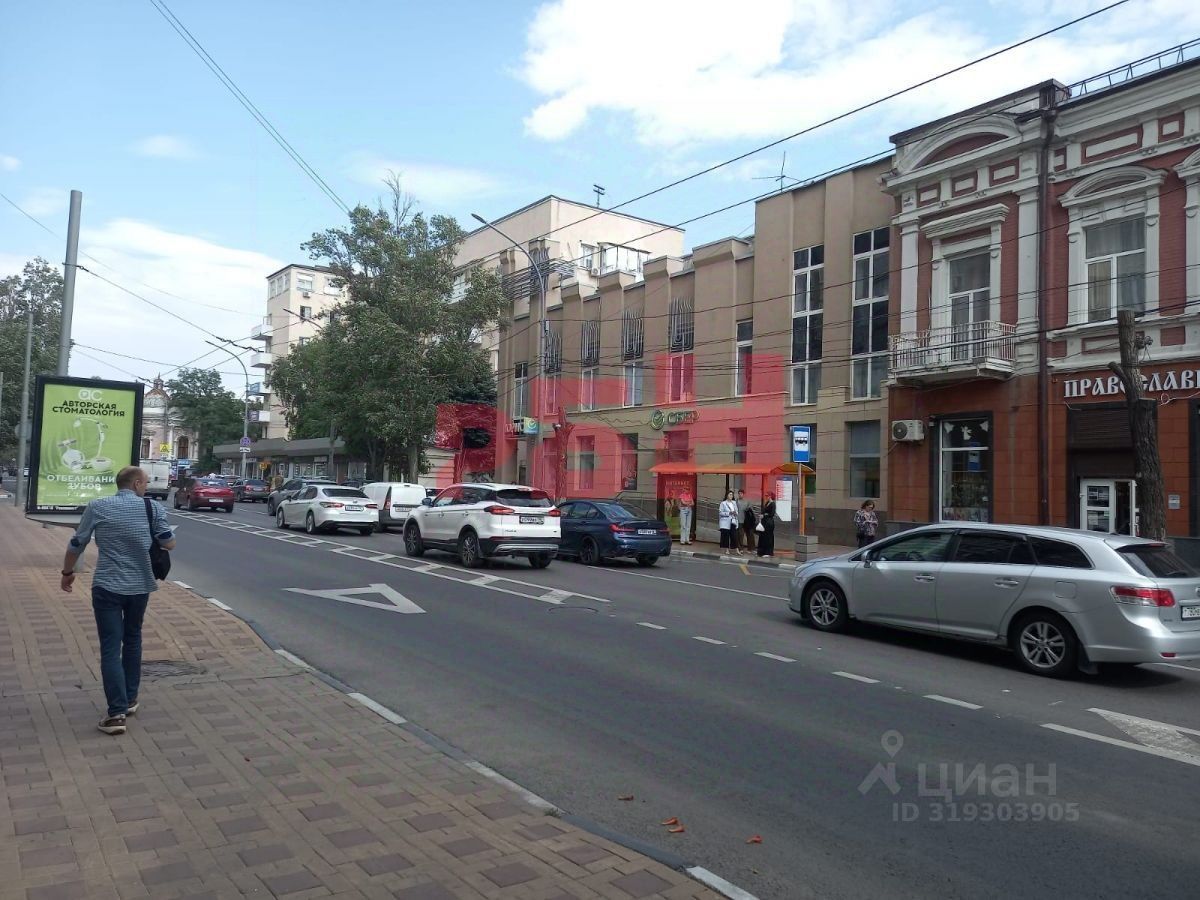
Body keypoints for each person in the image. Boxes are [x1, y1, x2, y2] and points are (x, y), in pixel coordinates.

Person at [61, 466, 176, 735]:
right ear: (136, 484)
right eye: (145, 483)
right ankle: (130, 699)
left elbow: (77, 543)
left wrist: (67, 573)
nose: (146, 487)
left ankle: (116, 713)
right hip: (140, 586)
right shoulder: (152, 508)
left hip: (107, 586)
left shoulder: (98, 506)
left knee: (111, 647)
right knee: (133, 638)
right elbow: (169, 543)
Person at [718, 490, 738, 555]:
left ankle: (736, 549)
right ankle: (727, 550)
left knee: (734, 535)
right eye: (730, 494)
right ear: (727, 495)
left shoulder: (734, 503)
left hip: (733, 521)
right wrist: (728, 513)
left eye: (732, 495)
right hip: (725, 522)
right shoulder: (723, 503)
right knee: (726, 536)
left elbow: (737, 511)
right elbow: (720, 513)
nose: (731, 496)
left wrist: (735, 513)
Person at [757, 492, 777, 557]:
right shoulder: (767, 503)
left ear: (770, 496)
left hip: (769, 522)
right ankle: (761, 552)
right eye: (766, 496)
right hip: (764, 522)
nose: (766, 497)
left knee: (768, 537)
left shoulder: (773, 504)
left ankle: (768, 552)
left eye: (767, 496)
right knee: (763, 536)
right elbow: (764, 511)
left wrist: (764, 515)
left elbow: (772, 514)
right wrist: (761, 515)